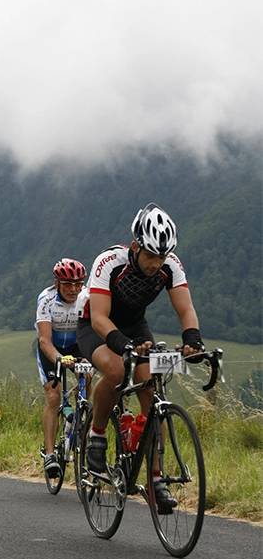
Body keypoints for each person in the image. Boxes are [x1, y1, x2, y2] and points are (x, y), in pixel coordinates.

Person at [76, 203, 205, 512]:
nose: (155, 263)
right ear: (135, 247)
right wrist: (121, 344)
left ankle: (155, 478)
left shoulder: (170, 266)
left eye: (161, 256)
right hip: (94, 322)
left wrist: (192, 339)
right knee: (117, 370)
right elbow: (99, 318)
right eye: (150, 256)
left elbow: (185, 309)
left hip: (134, 324)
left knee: (151, 390)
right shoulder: (110, 262)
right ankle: (96, 435)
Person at [35, 259, 88, 479]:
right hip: (52, 347)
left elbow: (92, 332)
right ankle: (49, 454)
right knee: (53, 397)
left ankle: (77, 417)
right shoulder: (46, 300)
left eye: (78, 283)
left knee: (86, 378)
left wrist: (87, 358)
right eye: (67, 284)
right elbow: (44, 340)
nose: (73, 289)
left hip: (78, 344)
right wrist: (60, 359)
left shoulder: (87, 299)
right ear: (57, 283)